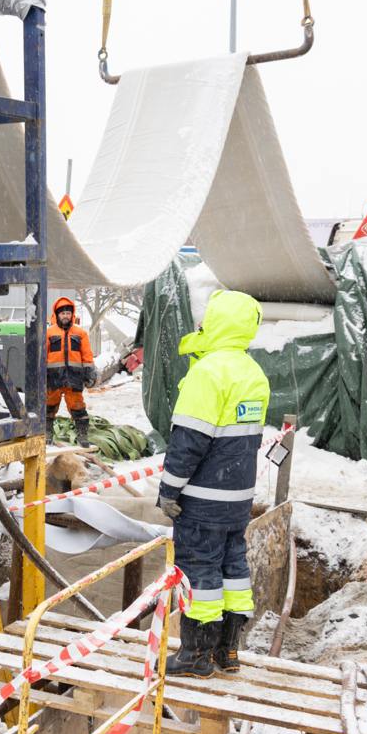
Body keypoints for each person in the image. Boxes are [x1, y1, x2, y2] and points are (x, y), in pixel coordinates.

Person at [155, 290, 269, 678]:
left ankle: (195, 656)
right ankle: (227, 651)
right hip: (238, 499)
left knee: (199, 572)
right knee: (233, 568)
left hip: (202, 498)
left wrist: (169, 489)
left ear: (218, 322)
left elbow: (189, 440)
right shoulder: (253, 372)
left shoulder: (207, 372)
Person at [45, 297, 96, 445]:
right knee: (49, 407)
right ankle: (47, 434)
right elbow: (42, 355)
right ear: (57, 314)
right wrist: (40, 376)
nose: (65, 316)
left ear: (72, 315)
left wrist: (90, 373)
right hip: (53, 378)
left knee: (78, 408)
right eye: (63, 313)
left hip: (74, 378)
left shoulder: (81, 333)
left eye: (68, 313)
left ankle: (82, 436)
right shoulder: (48, 333)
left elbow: (87, 355)